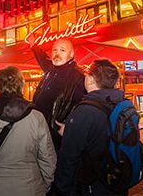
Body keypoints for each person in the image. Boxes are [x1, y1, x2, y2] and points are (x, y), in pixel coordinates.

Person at [0, 66, 56, 196]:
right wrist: (44, 184)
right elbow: (47, 158)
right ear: (21, 86)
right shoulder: (36, 118)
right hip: (29, 187)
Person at [54, 59, 126, 195]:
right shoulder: (121, 104)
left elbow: (68, 158)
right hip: (117, 179)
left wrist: (62, 188)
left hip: (94, 184)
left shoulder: (85, 111)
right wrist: (72, 130)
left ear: (91, 80)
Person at [28, 38, 86, 149]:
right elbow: (42, 59)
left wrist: (71, 128)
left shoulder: (78, 78)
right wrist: (34, 45)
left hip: (58, 138)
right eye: (54, 50)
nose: (57, 53)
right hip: (38, 132)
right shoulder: (51, 70)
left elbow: (83, 109)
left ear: (71, 54)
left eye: (62, 50)